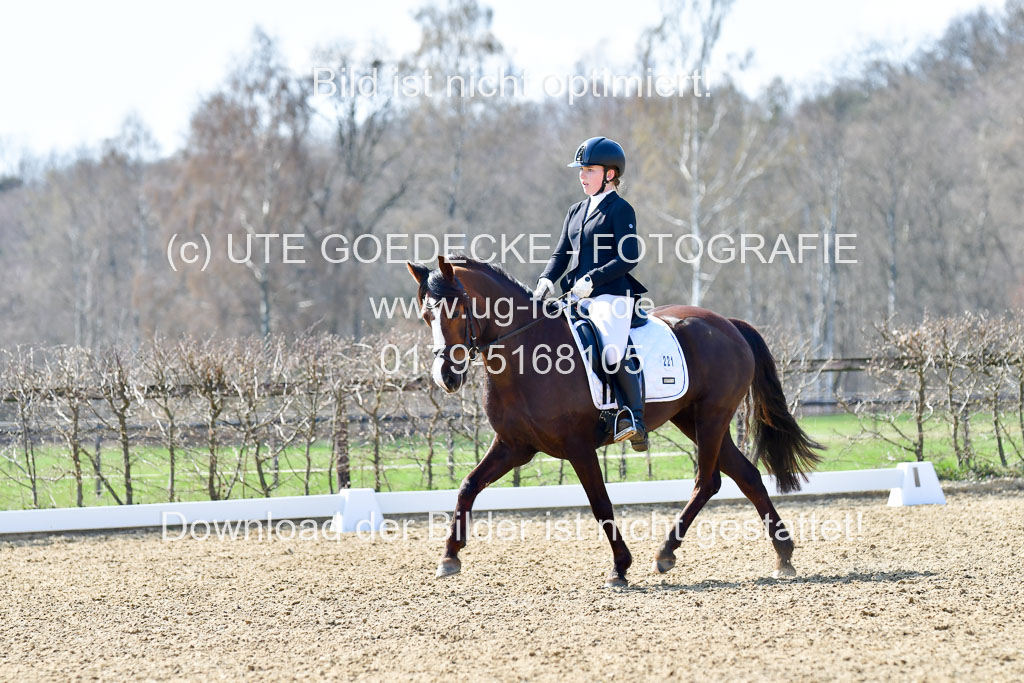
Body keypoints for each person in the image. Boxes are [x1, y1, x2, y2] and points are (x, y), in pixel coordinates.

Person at [534, 136, 649, 451]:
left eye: (589, 170)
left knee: (611, 350)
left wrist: (593, 279)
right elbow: (561, 254)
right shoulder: (576, 211)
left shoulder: (620, 209)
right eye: (581, 171)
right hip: (576, 296)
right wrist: (546, 280)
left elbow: (628, 256)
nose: (582, 176)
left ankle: (634, 419)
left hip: (611, 296)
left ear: (610, 174)